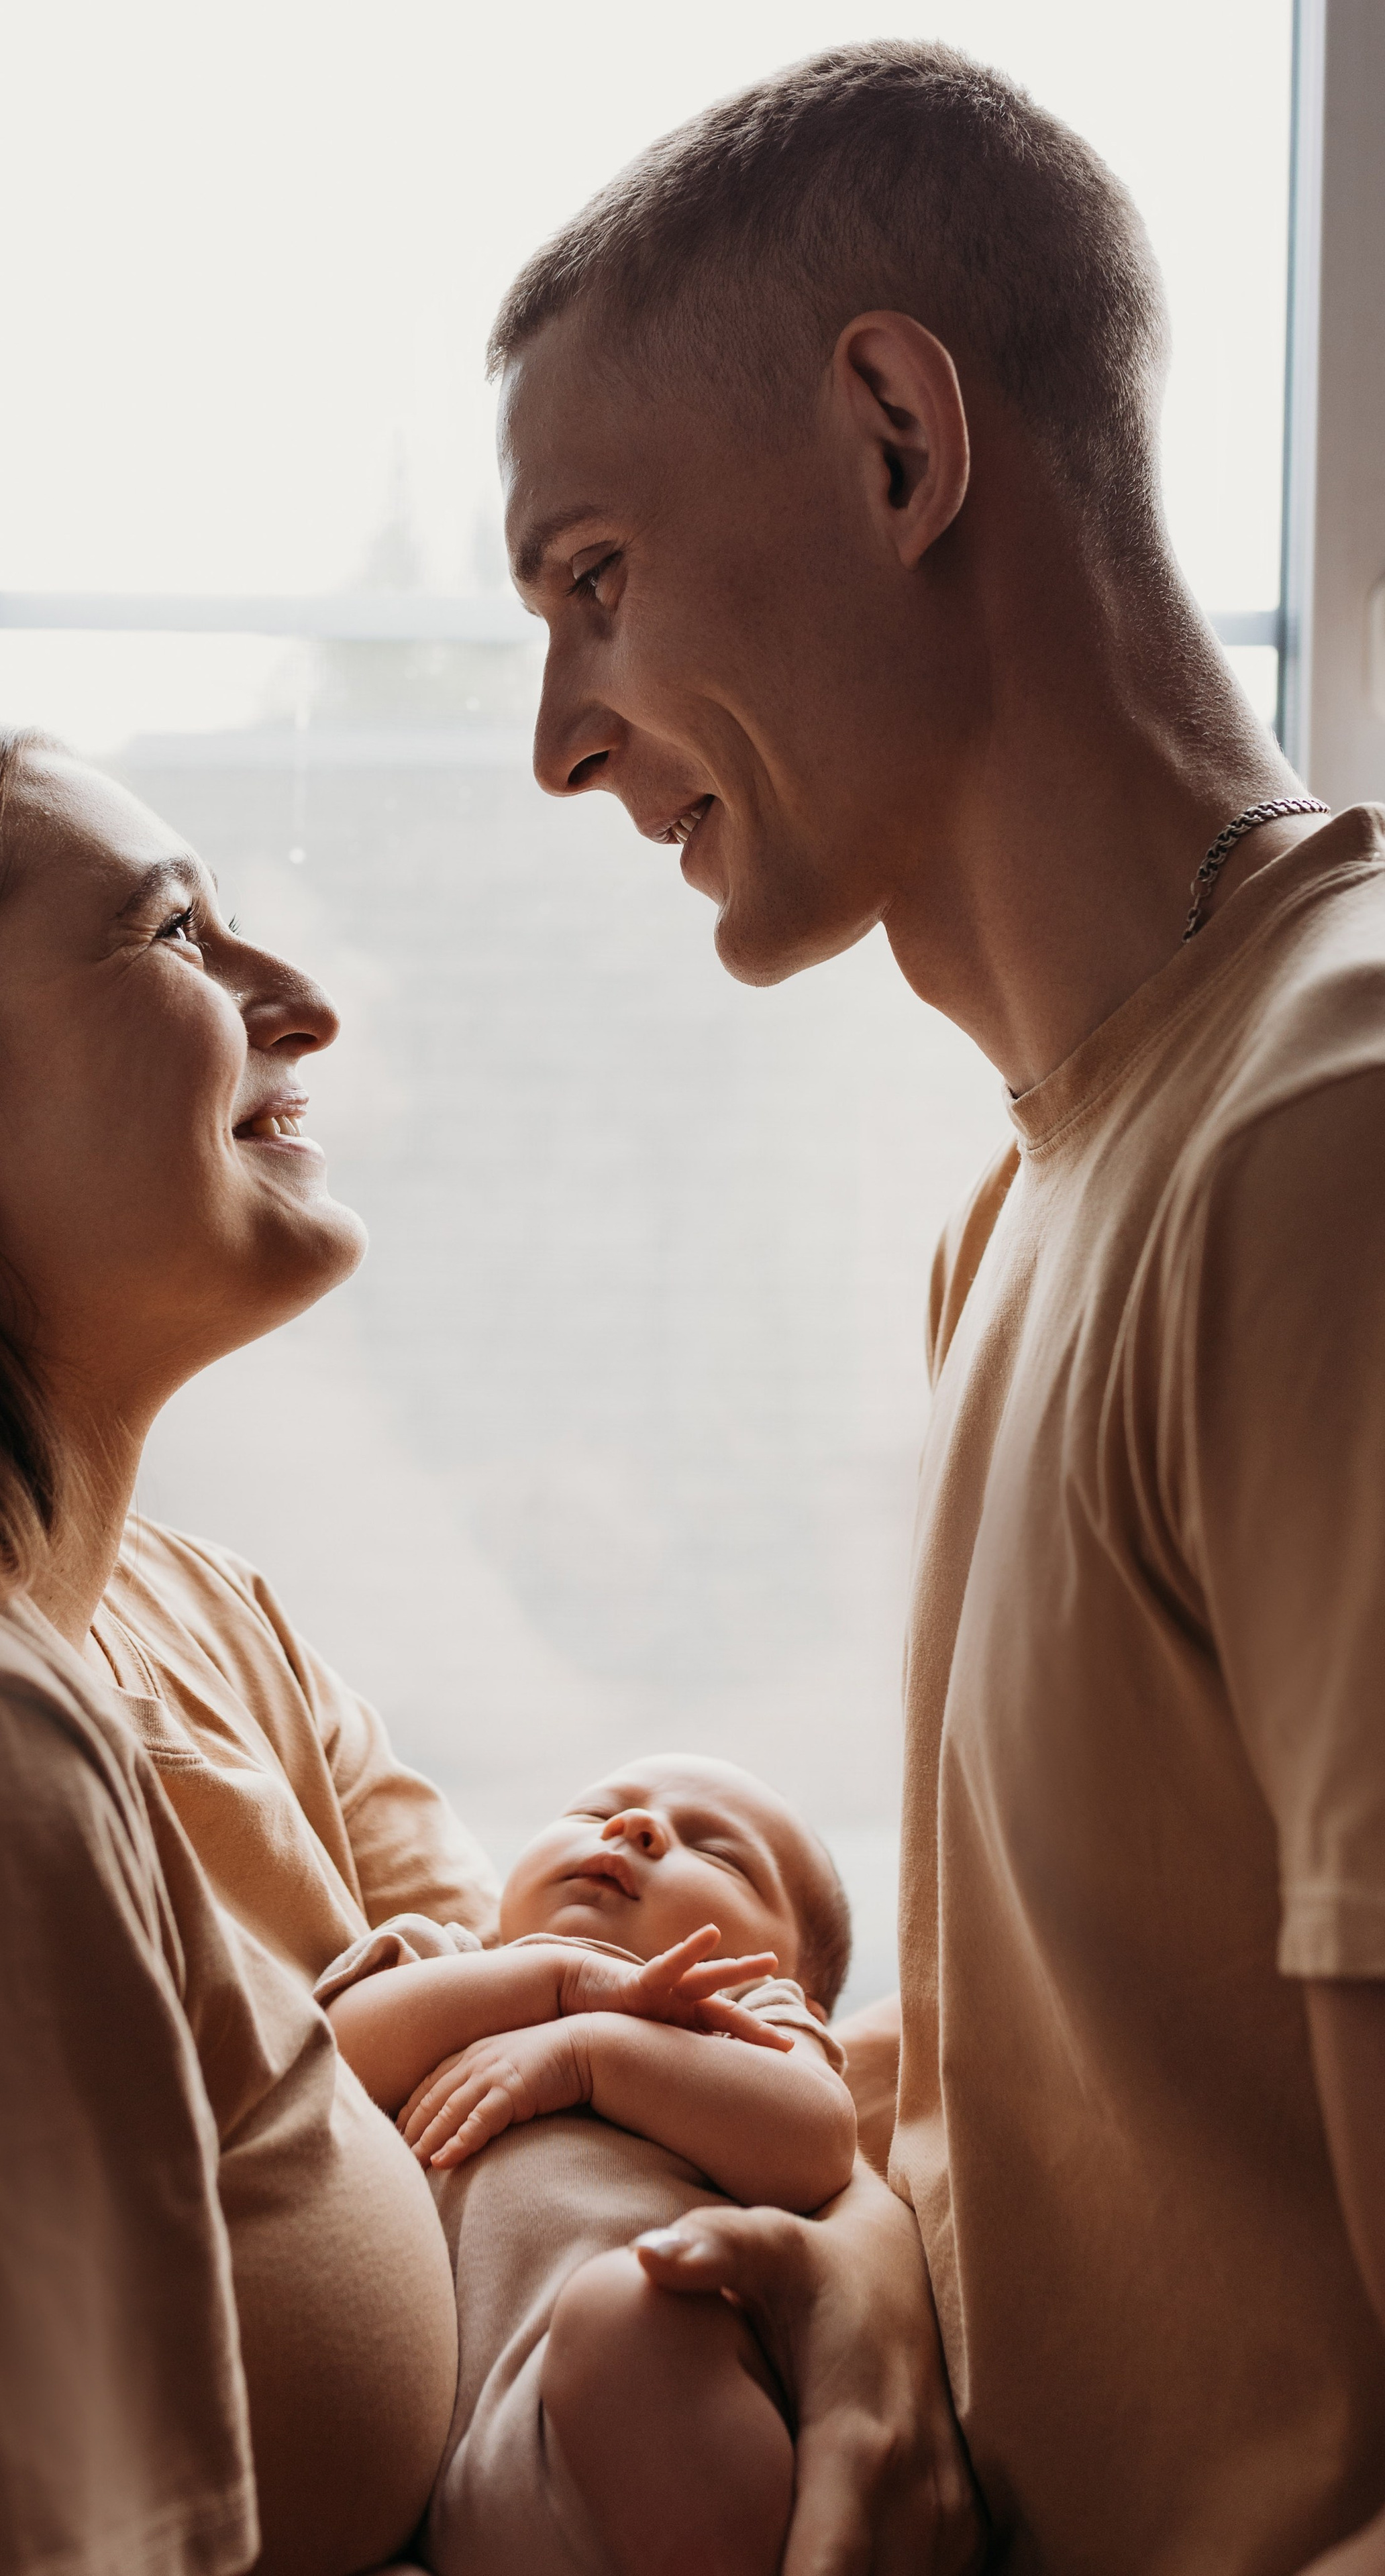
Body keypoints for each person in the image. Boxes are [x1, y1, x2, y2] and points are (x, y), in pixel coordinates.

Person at [489, 37, 1385, 2576]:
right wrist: (875, 2290)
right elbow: (1103, 2106)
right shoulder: (1019, 1210)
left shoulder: (1325, 1144)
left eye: (591, 581)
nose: (556, 743)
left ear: (896, 442)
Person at [0, 719, 508, 2576]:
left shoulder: (172, 1620)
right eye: (177, 934)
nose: (305, 1005)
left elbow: (586, 2030)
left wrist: (843, 2265)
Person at [319, 1756, 857, 2576]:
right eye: (594, 1813)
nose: (634, 1827)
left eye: (719, 1855)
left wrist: (589, 2053)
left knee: (630, 2308)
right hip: (456, 2480)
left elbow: (817, 2141)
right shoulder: (448, 1961)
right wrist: (556, 1983)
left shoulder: (747, 2017)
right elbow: (327, 2068)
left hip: (642, 2440)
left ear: (795, 1985)